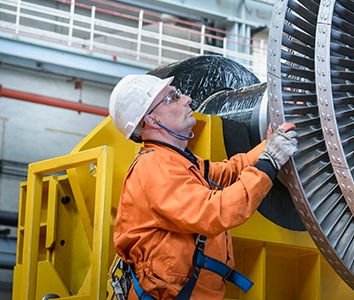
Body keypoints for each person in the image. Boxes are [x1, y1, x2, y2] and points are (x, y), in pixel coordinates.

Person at [110, 74, 298, 300]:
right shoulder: (154, 167)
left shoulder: (178, 161)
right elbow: (215, 211)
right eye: (172, 97)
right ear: (152, 120)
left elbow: (228, 172)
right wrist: (270, 162)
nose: (187, 99)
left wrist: (268, 145)